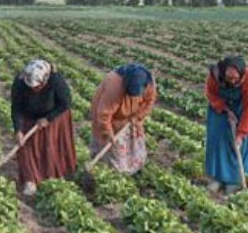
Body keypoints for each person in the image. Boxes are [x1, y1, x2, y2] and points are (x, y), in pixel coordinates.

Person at [11, 60, 77, 196]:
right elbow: (16, 107)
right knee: (26, 147)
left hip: (53, 116)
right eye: (31, 87)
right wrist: (18, 129)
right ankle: (30, 179)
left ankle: (54, 175)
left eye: (37, 87)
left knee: (51, 146)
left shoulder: (56, 81)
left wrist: (48, 118)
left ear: (44, 80)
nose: (33, 90)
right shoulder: (19, 83)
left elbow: (65, 104)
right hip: (29, 116)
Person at [90, 63, 157, 175]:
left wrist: (137, 116)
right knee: (109, 144)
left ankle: (132, 168)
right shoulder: (115, 85)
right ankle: (108, 171)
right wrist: (108, 132)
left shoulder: (149, 83)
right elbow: (104, 114)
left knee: (133, 140)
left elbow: (149, 102)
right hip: (109, 116)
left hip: (130, 117)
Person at [205, 56, 248, 195]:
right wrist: (225, 110)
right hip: (219, 107)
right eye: (229, 78)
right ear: (223, 73)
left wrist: (241, 133)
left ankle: (233, 181)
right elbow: (211, 94)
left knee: (238, 146)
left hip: (241, 107)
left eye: (236, 79)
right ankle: (217, 178)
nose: (233, 81)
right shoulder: (215, 76)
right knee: (218, 140)